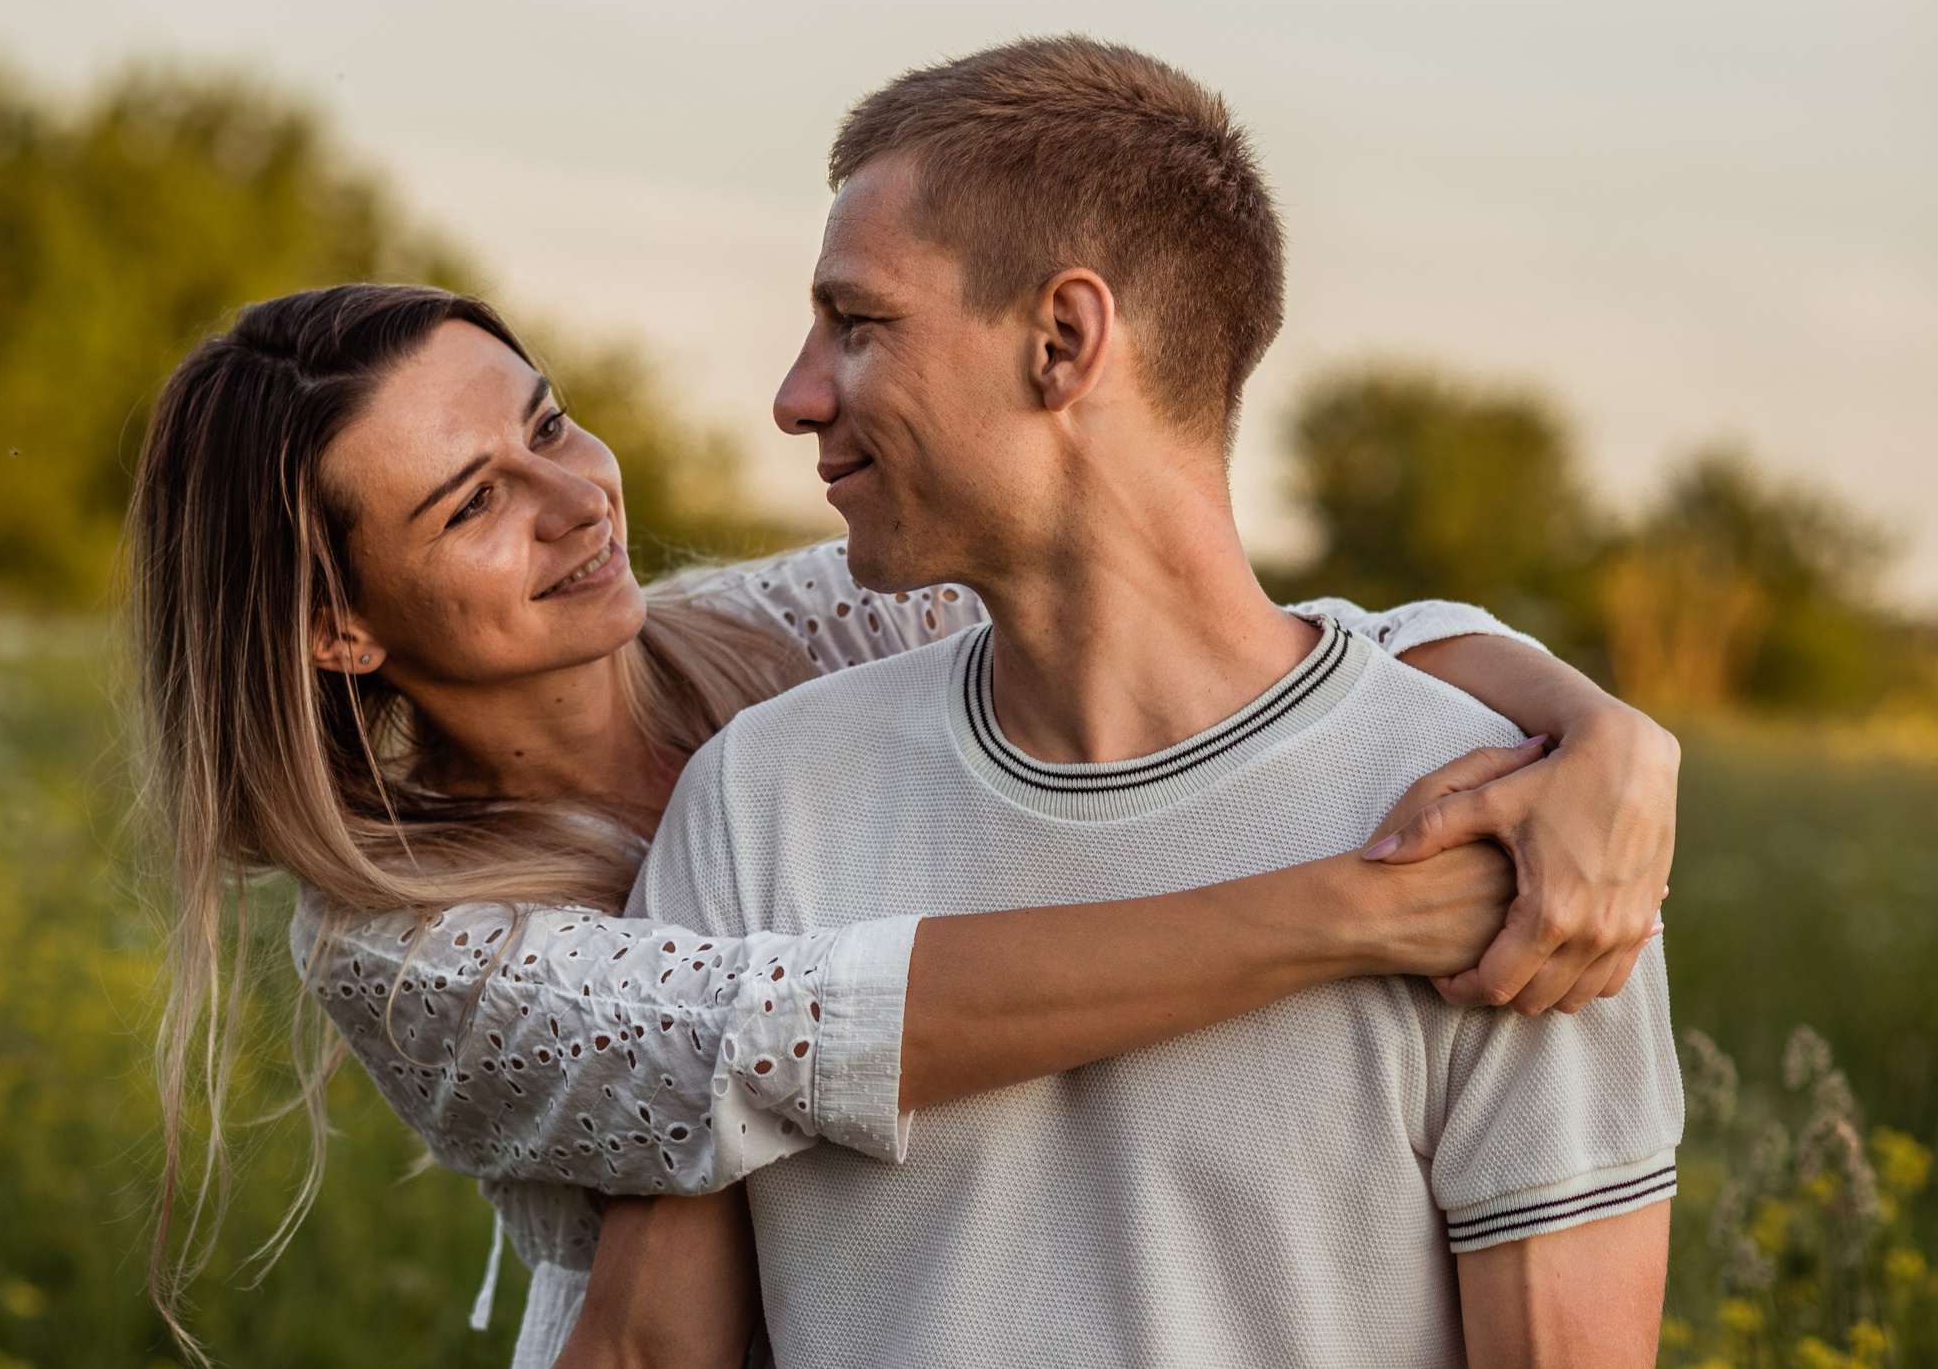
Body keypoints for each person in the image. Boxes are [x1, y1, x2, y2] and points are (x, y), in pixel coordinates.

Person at [125, 285, 1678, 1368]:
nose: (577, 496)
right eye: (474, 502)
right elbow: (794, 1033)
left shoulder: (799, 633)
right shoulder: (400, 939)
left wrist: (1599, 732)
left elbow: (1258, 638)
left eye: (551, 423)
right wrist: (1356, 914)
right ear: (336, 624)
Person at [607, 37, 1682, 1369]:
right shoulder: (761, 797)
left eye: (859, 322)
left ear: (1063, 341)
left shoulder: (1513, 838)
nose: (795, 394)